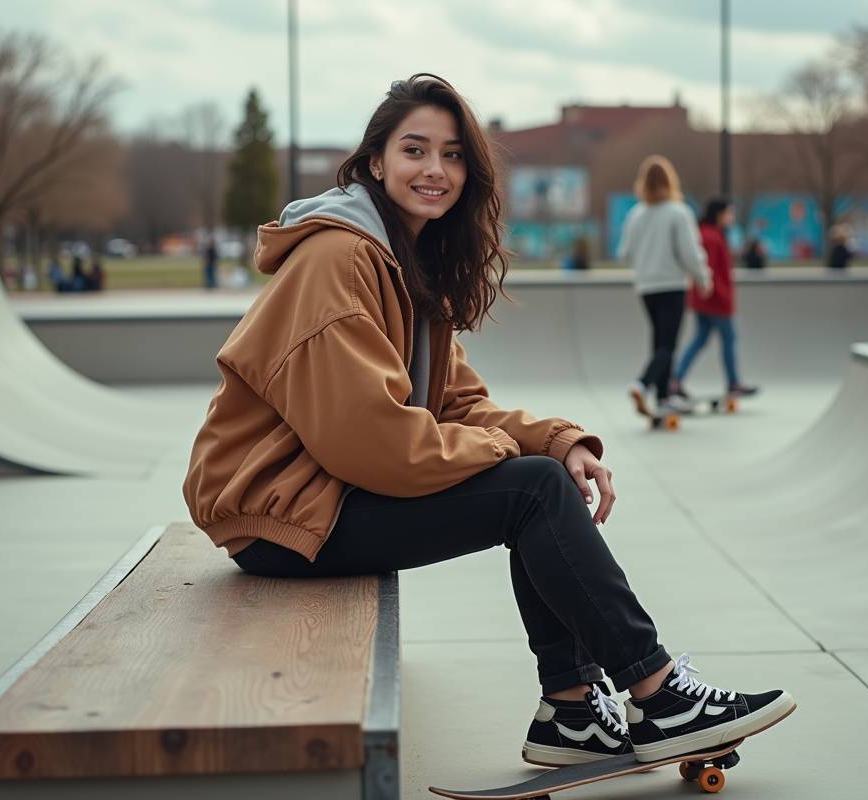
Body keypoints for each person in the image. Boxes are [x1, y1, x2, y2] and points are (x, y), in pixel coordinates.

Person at [183, 74, 794, 770]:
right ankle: (658, 695)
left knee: (537, 481)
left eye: (452, 155)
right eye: (414, 150)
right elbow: (372, 443)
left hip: (320, 494)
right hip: (281, 513)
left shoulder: (404, 260)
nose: (435, 170)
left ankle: (572, 712)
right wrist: (515, 457)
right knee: (530, 490)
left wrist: (557, 442)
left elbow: (459, 404)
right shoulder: (340, 259)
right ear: (375, 161)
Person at [617, 155, 712, 417]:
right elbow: (690, 253)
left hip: (646, 287)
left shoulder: (635, 214)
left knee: (659, 340)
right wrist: (703, 277)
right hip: (671, 284)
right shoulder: (678, 212)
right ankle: (643, 383)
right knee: (668, 343)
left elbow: (624, 252)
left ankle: (664, 396)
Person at [672, 197, 758, 400]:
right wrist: (721, 295)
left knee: (700, 338)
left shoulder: (709, 234)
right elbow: (707, 269)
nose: (732, 218)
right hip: (714, 298)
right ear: (719, 215)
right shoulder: (710, 237)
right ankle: (733, 382)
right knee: (729, 338)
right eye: (729, 213)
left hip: (707, 297)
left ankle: (675, 379)